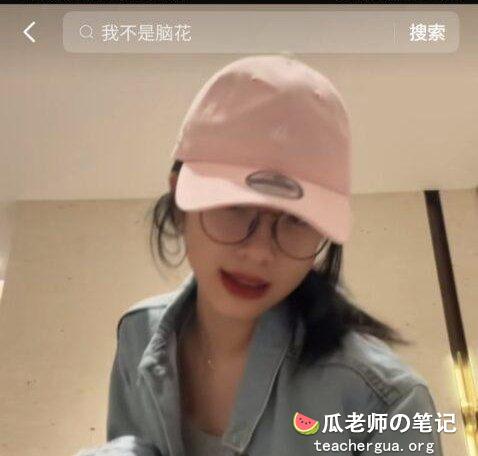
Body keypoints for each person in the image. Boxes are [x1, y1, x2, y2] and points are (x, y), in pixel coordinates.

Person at [76, 55, 444, 456]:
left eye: (295, 221)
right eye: (235, 207)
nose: (259, 252)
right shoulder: (138, 336)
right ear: (180, 200)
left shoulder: (387, 404)